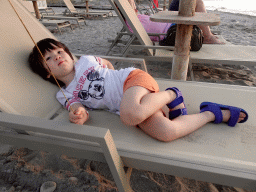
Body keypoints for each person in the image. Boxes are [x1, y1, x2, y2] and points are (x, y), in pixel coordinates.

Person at [28, 38, 248, 142]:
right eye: (48, 57)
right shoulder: (63, 94)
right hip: (132, 106)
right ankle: (210, 113)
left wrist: (113, 79)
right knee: (166, 133)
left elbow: (108, 66)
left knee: (130, 115)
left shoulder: (85, 61)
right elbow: (77, 108)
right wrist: (79, 115)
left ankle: (172, 94)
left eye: (59, 50)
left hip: (131, 80)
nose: (56, 56)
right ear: (46, 73)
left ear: (67, 52)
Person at [128, 0, 224, 44]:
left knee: (197, 2)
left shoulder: (138, 18)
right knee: (198, 2)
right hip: (174, 31)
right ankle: (208, 36)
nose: (135, 6)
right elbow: (156, 35)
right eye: (132, 4)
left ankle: (207, 35)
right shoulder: (132, 23)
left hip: (173, 25)